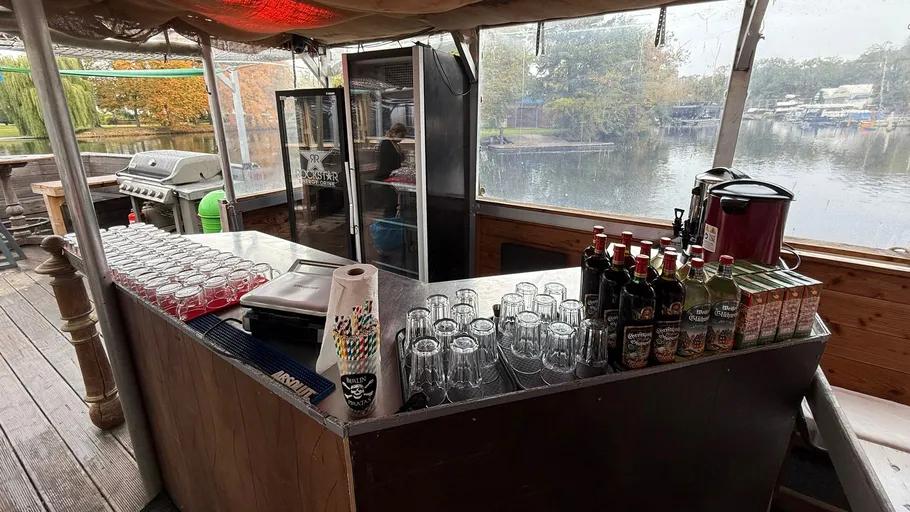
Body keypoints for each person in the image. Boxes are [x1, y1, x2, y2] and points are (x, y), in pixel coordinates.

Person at [375, 123, 407, 218]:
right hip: (385, 177)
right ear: (394, 133)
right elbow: (388, 161)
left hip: (391, 177)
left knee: (393, 204)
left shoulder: (394, 144)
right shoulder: (386, 143)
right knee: (390, 205)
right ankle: (388, 223)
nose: (401, 139)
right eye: (401, 136)